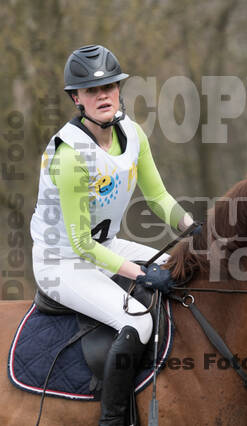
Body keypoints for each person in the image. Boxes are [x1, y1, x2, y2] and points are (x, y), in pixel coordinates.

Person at [30, 45, 194, 425]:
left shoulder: (133, 134)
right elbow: (81, 245)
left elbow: (157, 196)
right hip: (62, 262)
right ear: (76, 98)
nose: (102, 96)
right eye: (91, 91)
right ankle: (114, 418)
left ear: (119, 90)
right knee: (137, 321)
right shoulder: (70, 156)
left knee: (183, 272)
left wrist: (193, 227)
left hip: (104, 247)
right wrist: (140, 273)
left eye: (109, 88)